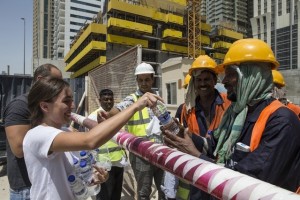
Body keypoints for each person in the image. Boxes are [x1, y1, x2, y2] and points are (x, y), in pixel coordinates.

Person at [163, 38, 300, 193]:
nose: (225, 81)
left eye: (231, 74)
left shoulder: (281, 121)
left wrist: (194, 154)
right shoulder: (237, 114)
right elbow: (213, 146)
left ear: (251, 76)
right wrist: (187, 137)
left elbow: (245, 182)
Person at [23, 77, 162, 199]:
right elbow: (90, 140)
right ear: (45, 106)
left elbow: (69, 176)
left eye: (72, 100)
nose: (73, 106)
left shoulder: (64, 132)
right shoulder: (38, 135)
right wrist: (135, 106)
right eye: (66, 101)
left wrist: (93, 178)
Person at [3, 64, 62, 200]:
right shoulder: (20, 106)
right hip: (26, 188)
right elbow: (18, 149)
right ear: (40, 80)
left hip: (45, 181)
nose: (59, 86)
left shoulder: (45, 106)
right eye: (55, 81)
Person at [108, 62, 165, 200]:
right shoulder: (132, 99)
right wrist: (135, 106)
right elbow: (113, 113)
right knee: (143, 193)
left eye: (147, 79)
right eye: (141, 80)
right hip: (141, 154)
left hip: (160, 151)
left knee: (165, 191)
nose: (144, 83)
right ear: (137, 81)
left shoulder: (158, 97)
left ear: (153, 79)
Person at [88, 89, 127, 200]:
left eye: (110, 99)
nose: (108, 102)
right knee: (105, 195)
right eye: (105, 99)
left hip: (118, 161)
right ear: (100, 101)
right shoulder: (93, 117)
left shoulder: (118, 116)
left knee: (116, 194)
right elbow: (90, 141)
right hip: (103, 164)